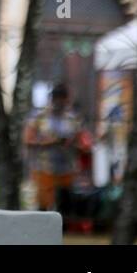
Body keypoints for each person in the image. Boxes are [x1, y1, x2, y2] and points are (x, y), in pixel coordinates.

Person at [24, 84, 84, 213]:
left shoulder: (73, 118)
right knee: (43, 206)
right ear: (51, 98)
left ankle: (65, 231)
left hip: (67, 168)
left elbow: (82, 142)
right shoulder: (39, 117)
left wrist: (72, 143)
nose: (59, 101)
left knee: (65, 207)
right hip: (44, 168)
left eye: (62, 98)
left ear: (67, 99)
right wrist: (48, 142)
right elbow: (27, 140)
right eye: (56, 97)